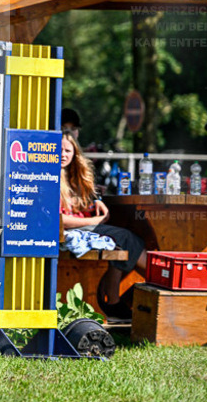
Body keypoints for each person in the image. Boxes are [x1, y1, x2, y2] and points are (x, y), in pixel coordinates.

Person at [60, 132, 147, 318]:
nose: (63, 154)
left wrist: (97, 200)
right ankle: (156, 281)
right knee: (125, 238)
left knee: (123, 241)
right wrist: (93, 221)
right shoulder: (50, 177)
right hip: (69, 230)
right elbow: (61, 221)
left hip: (82, 226)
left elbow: (90, 193)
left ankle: (114, 297)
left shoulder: (73, 174)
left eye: (67, 150)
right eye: (59, 150)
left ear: (75, 153)